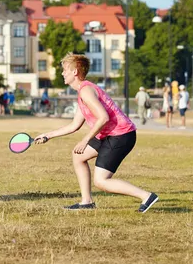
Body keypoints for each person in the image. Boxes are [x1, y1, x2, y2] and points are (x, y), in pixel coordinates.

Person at [34, 53, 158, 213]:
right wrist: (47, 135)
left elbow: (103, 118)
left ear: (75, 72)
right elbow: (74, 125)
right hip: (109, 134)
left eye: (65, 69)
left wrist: (85, 140)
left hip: (121, 135)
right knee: (78, 156)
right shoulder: (82, 92)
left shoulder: (86, 91)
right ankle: (86, 202)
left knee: (101, 182)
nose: (62, 73)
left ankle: (146, 196)